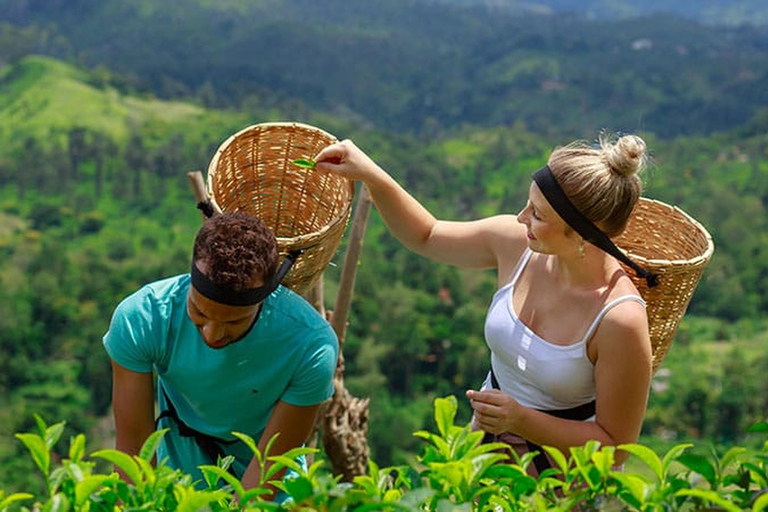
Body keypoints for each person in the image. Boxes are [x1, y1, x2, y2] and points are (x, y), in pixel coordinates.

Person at [314, 134, 654, 476]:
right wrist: (371, 174)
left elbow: (615, 447)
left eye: (537, 214)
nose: (522, 218)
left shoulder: (619, 318)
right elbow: (427, 235)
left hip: (563, 477)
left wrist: (521, 420)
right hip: (484, 450)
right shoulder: (515, 245)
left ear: (582, 235)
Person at [103, 211, 339, 499]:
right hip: (180, 477)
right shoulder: (144, 317)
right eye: (199, 313)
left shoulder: (310, 345)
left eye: (234, 322)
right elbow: (135, 449)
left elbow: (268, 468)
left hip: (270, 486)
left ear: (262, 302)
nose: (212, 334)